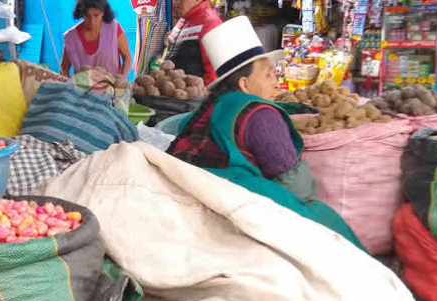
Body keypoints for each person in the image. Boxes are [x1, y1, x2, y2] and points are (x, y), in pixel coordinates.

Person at [167, 16, 366, 251]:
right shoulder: (260, 114)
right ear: (244, 84)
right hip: (225, 212)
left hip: (182, 208)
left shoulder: (206, 109)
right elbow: (296, 187)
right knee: (324, 219)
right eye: (266, 73)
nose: (275, 78)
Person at [60, 0, 132, 78]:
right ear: (81, 14)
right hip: (82, 90)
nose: (92, 21)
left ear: (103, 12)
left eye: (96, 15)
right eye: (87, 16)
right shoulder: (71, 37)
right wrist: (68, 85)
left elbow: (127, 57)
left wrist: (123, 77)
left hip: (112, 87)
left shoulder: (114, 29)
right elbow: (64, 68)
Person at [163, 0, 222, 85]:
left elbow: (214, 73)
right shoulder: (183, 19)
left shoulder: (210, 22)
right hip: (176, 93)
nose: (175, 2)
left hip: (193, 95)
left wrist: (203, 95)